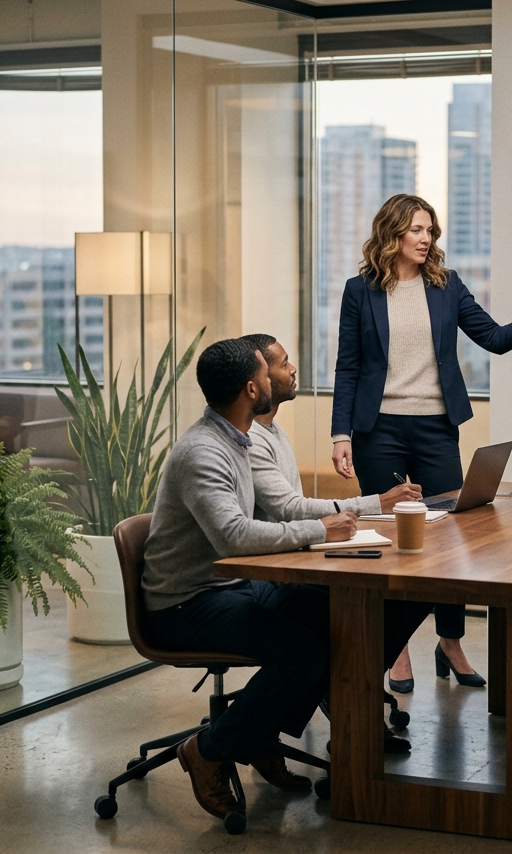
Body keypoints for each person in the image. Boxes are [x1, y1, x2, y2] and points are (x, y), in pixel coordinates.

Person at [142, 339, 422, 824]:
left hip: (230, 586)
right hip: (186, 603)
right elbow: (232, 536)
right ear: (252, 389)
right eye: (270, 374)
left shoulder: (239, 437)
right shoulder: (202, 452)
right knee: (303, 652)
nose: (280, 378)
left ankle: (258, 736)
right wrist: (323, 528)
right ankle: (209, 749)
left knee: (330, 615)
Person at [330, 193, 512, 692]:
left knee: (453, 537)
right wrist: (340, 431)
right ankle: (398, 647)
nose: (427, 239)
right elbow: (348, 365)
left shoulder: (447, 286)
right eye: (417, 230)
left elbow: (494, 339)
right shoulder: (358, 290)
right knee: (390, 536)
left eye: (431, 230)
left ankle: (449, 641)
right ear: (392, 233)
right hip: (377, 428)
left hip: (435, 426)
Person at [239, 333, 423, 521]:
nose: (293, 370)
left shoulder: (274, 430)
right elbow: (291, 509)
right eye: (285, 364)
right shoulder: (251, 440)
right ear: (261, 378)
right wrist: (378, 503)